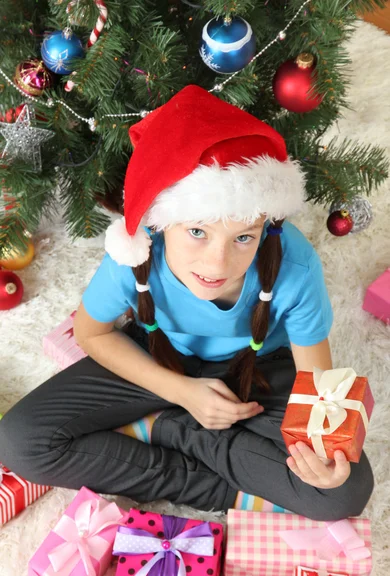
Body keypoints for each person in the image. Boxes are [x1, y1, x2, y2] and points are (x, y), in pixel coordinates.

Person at [0, 85, 373, 520]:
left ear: (263, 229)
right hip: (157, 355)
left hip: (256, 369)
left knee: (346, 492)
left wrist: (325, 462)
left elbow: (319, 388)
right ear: (163, 224)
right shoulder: (134, 253)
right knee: (21, 441)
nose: (217, 263)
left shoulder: (296, 267)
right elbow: (90, 332)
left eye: (243, 238)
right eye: (197, 231)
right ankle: (195, 456)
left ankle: (172, 428)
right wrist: (179, 392)